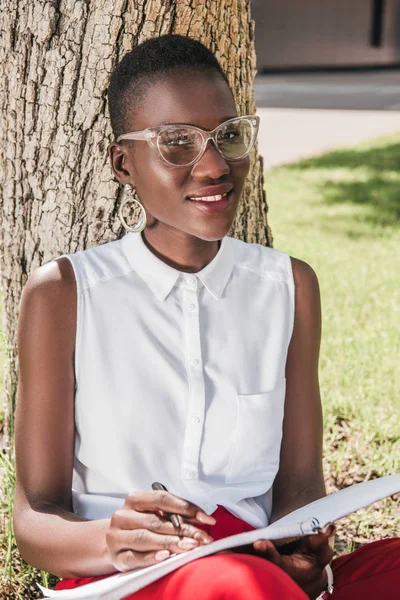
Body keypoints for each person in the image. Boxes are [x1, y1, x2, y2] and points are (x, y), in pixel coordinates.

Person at [13, 35, 399, 600]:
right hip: (126, 577)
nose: (216, 166)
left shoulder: (288, 286)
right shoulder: (65, 294)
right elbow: (33, 520)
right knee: (239, 585)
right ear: (124, 163)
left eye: (227, 137)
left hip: (254, 564)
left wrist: (305, 557)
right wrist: (110, 540)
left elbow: (298, 488)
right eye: (177, 144)